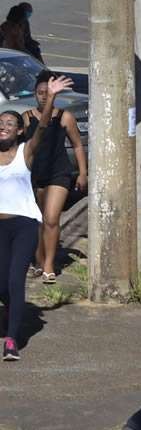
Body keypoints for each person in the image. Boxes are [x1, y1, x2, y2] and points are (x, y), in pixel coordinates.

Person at [0, 74, 72, 360]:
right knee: (2, 283)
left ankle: (12, 339)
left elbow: (42, 126)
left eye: (9, 124)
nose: (3, 127)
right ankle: (13, 311)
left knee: (16, 279)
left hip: (24, 225)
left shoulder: (25, 153)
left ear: (19, 131)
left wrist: (51, 96)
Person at [24, 70, 87, 284]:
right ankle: (39, 261)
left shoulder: (64, 117)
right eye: (40, 92)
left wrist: (83, 173)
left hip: (59, 173)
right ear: (35, 94)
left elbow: (77, 145)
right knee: (39, 220)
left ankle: (49, 265)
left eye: (46, 92)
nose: (43, 96)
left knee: (51, 218)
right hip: (36, 175)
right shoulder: (27, 117)